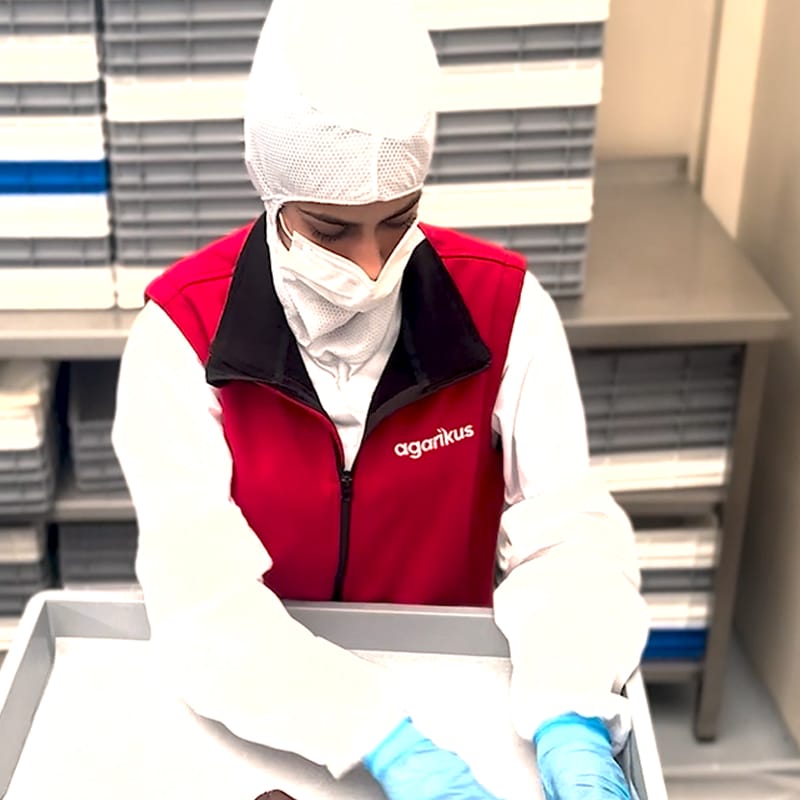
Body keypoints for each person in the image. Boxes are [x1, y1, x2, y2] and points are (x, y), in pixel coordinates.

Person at [112, 1, 650, 798]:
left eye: (396, 223)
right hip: (267, 715)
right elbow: (202, 597)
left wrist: (570, 708)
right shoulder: (181, 333)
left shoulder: (503, 308)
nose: (369, 268)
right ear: (271, 188)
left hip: (467, 693)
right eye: (332, 231)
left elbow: (567, 533)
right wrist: (381, 741)